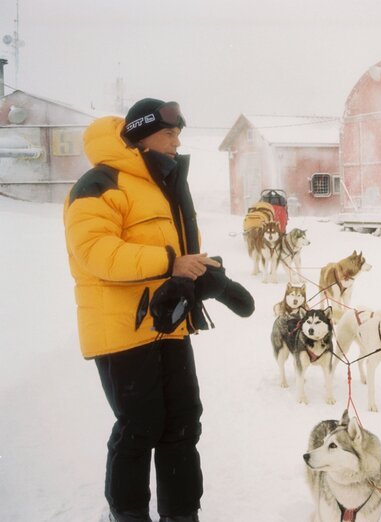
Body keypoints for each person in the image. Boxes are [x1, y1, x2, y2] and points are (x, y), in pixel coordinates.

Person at [64, 98, 252, 522]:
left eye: (179, 133)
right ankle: (128, 514)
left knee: (183, 423)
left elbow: (180, 254)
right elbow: (94, 251)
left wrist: (202, 271)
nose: (177, 141)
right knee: (139, 427)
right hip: (122, 330)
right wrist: (171, 262)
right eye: (169, 133)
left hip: (170, 322)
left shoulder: (163, 185)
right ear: (140, 135)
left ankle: (181, 513)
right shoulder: (100, 183)